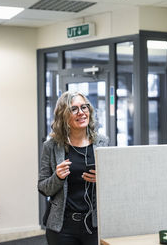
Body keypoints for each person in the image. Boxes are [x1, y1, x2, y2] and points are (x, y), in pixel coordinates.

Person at [38, 91, 108, 245]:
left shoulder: (102, 142)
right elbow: (43, 188)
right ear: (63, 115)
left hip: (95, 225)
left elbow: (114, 185)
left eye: (84, 107)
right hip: (63, 227)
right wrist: (58, 177)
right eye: (74, 109)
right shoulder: (51, 146)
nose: (81, 113)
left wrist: (104, 180)